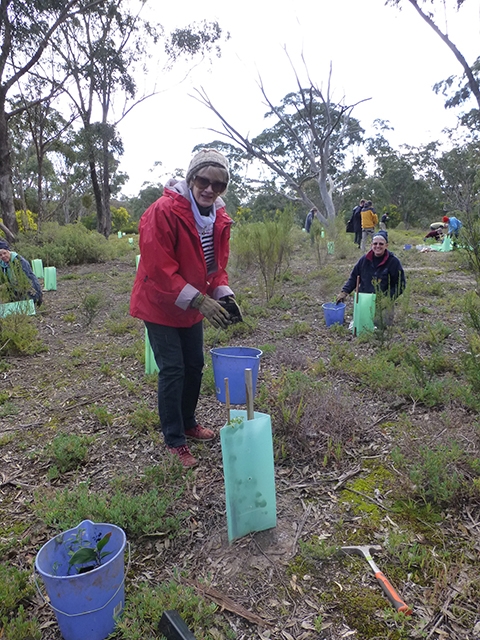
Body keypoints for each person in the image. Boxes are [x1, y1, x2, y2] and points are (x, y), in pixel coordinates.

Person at [130, 148, 242, 469]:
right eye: (203, 181)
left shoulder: (218, 216)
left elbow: (216, 266)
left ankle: (188, 422)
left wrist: (223, 295)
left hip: (193, 304)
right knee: (173, 369)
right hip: (159, 304)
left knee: (194, 365)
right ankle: (174, 440)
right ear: (191, 178)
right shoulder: (162, 211)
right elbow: (159, 268)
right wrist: (198, 300)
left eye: (218, 185)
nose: (210, 189)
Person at [336, 231, 406, 324]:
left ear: (386, 245)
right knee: (362, 324)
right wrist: (344, 292)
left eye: (381, 244)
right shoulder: (364, 260)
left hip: (383, 303)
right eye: (375, 243)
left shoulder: (393, 262)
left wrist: (387, 299)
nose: (378, 246)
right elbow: (354, 277)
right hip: (364, 299)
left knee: (381, 326)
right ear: (371, 245)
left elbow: (400, 284)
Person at [0, 240, 43, 305]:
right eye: (0, 255)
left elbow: (25, 281)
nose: (3, 256)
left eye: (4, 253)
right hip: (15, 291)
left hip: (30, 289)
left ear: (9, 251)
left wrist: (6, 285)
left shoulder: (19, 261)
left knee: (28, 307)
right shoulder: (3, 264)